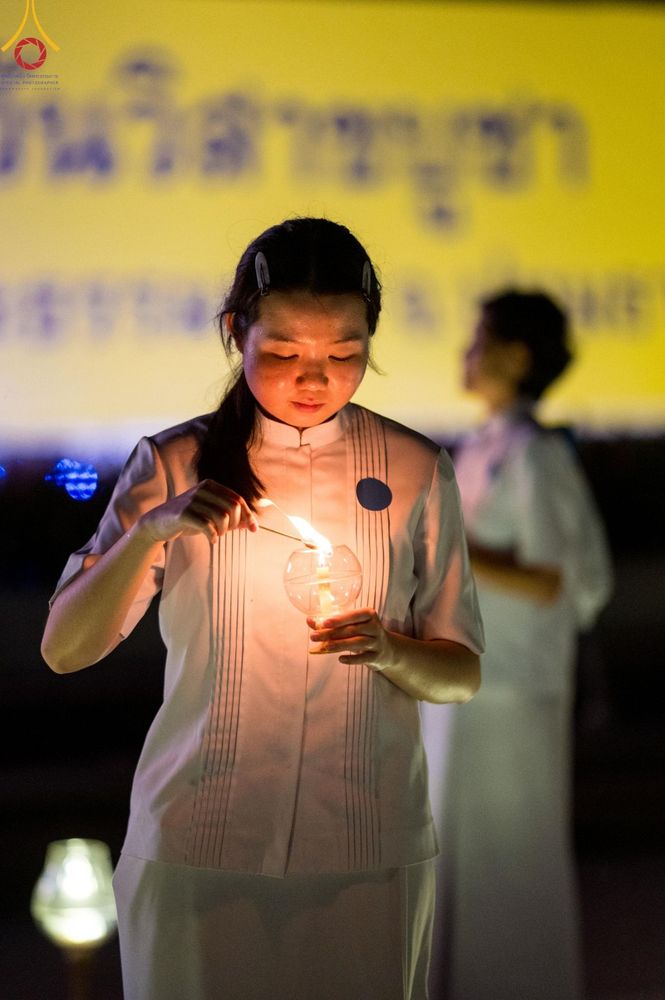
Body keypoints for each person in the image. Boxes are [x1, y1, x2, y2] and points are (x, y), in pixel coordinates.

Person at [41, 217, 484, 1000]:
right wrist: (151, 530)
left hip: (366, 842)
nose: (314, 378)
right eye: (282, 353)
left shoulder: (414, 468)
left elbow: (459, 674)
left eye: (343, 354)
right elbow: (65, 649)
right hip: (198, 838)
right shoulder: (174, 462)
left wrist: (388, 648)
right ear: (234, 332)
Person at [434, 290, 612, 1000]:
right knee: (465, 863)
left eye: (480, 339)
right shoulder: (481, 447)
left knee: (511, 863)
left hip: (513, 687)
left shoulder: (537, 455)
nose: (466, 353)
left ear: (516, 356)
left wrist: (449, 547)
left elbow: (556, 578)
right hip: (467, 684)